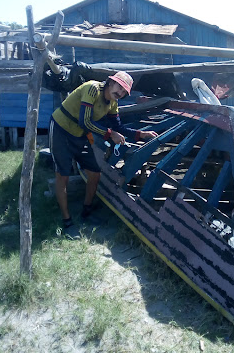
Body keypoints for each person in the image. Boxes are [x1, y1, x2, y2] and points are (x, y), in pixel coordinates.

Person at [49, 71, 157, 233]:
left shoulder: (113, 103)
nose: (120, 92)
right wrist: (109, 134)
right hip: (61, 130)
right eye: (119, 87)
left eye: (124, 91)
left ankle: (86, 212)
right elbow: (85, 121)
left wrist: (140, 134)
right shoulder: (93, 89)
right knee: (62, 175)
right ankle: (67, 221)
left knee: (94, 173)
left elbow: (118, 127)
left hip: (79, 135)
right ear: (110, 82)